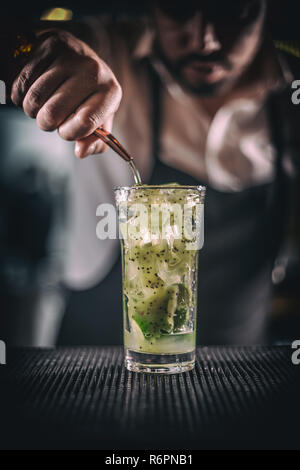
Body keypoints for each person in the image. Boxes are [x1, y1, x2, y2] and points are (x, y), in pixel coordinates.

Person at [8, 0, 300, 344]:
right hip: (93, 358)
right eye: (179, 9)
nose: (205, 40)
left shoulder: (291, 94)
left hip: (241, 367)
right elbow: (18, 45)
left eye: (232, 11)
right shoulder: (113, 50)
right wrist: (25, 50)